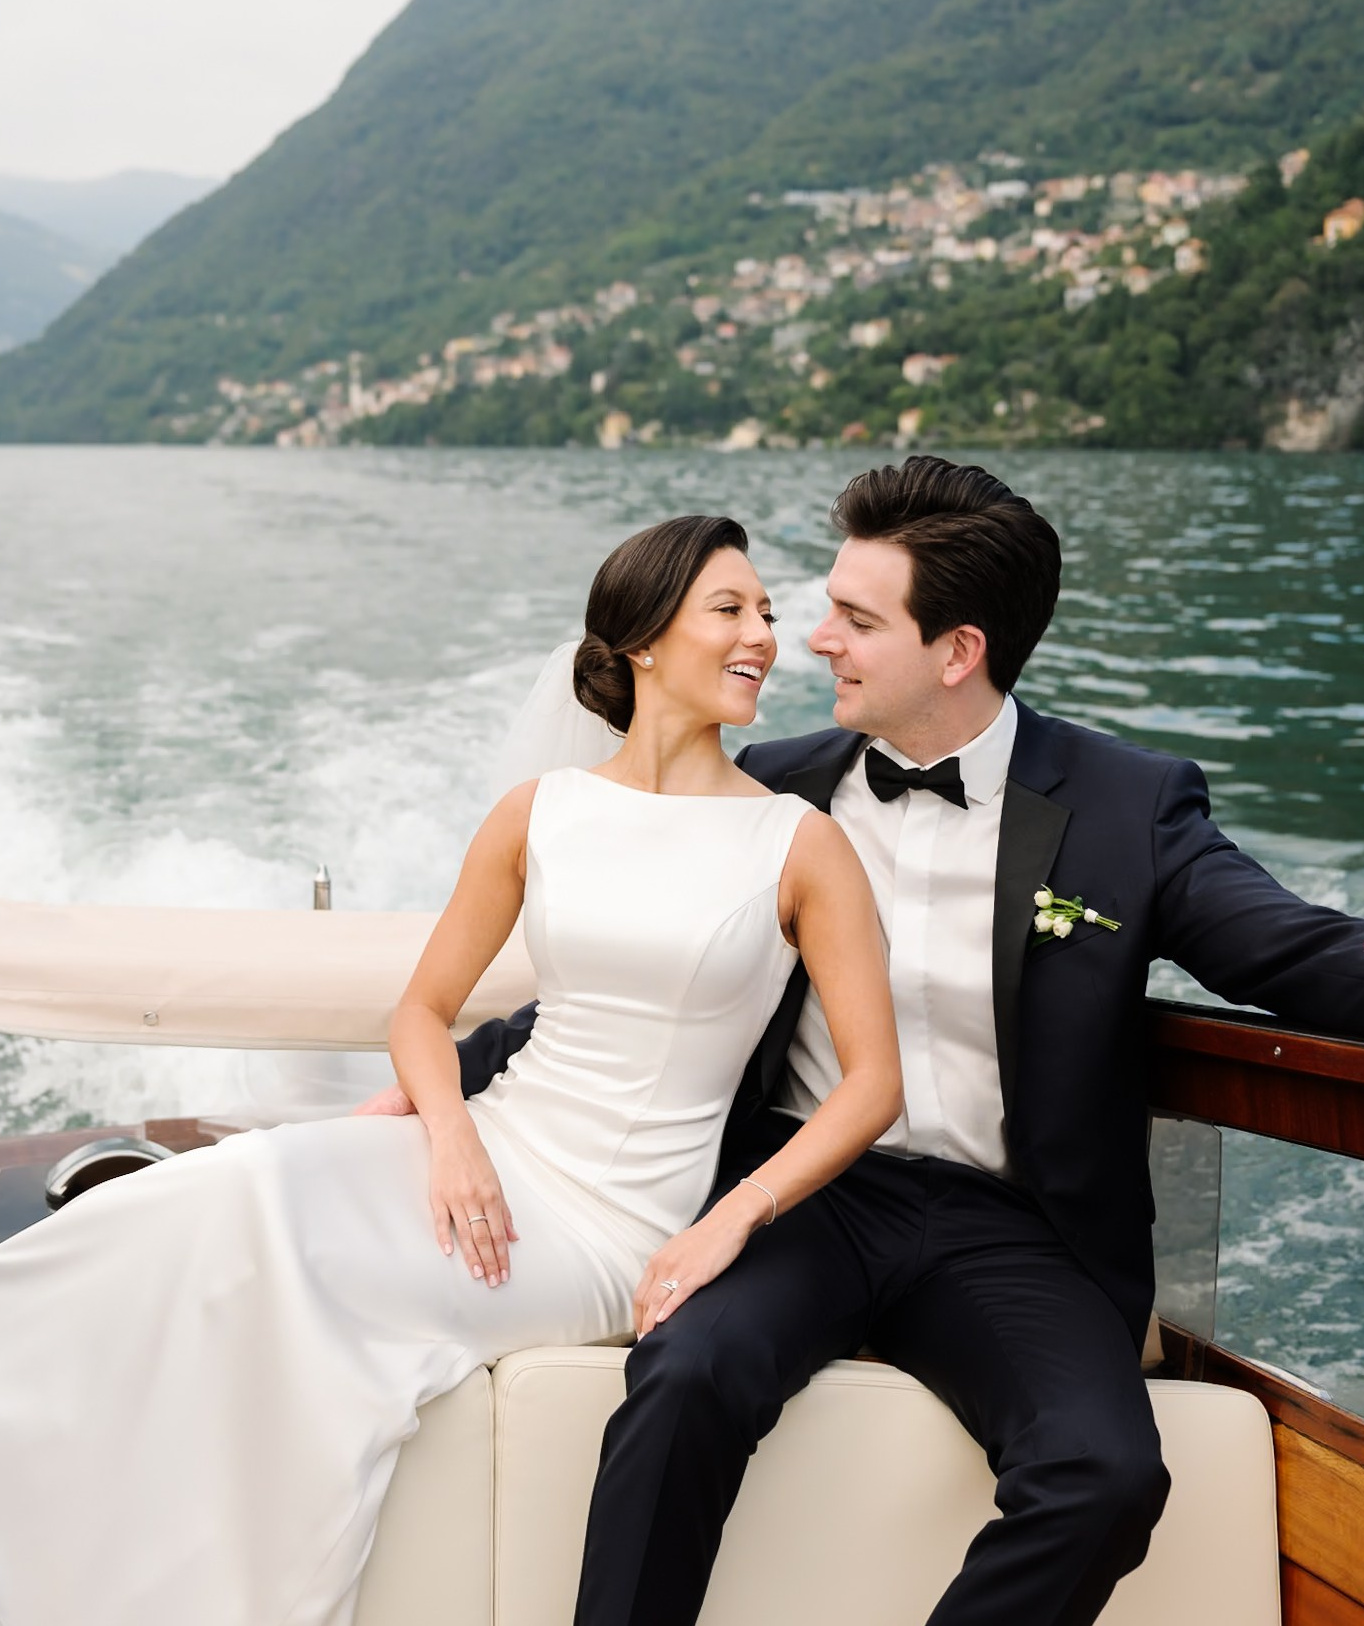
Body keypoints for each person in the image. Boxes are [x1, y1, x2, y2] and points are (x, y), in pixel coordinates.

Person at [434, 456, 1364, 1626]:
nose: (813, 643)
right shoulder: (774, 788)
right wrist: (449, 1088)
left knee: (1107, 1474)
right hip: (803, 1193)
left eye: (854, 618)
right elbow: (649, 990)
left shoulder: (1127, 804)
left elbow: (1283, 942)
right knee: (686, 1372)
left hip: (1013, 1229)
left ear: (958, 652)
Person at [0, 515, 903, 1626]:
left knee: (294, 1266)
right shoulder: (540, 814)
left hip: (611, 1222)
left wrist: (732, 1222)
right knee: (218, 1194)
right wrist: (453, 1135)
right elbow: (421, 1013)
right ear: (643, 641)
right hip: (486, 1147)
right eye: (731, 609)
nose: (765, 633)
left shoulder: (799, 844)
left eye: (767, 611)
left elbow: (872, 1086)